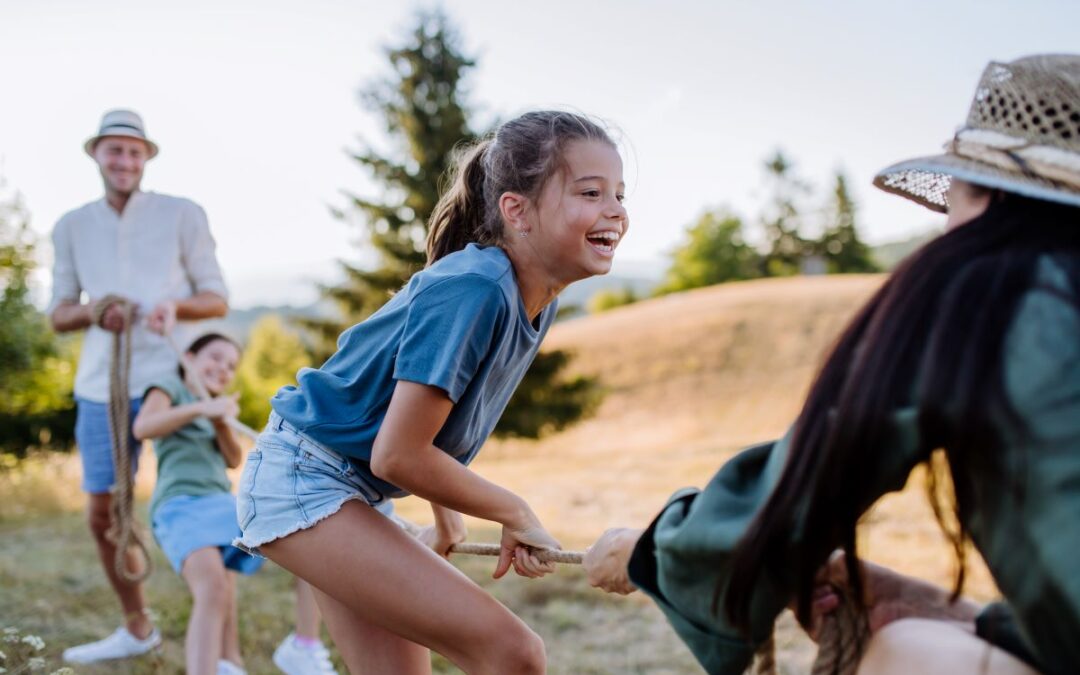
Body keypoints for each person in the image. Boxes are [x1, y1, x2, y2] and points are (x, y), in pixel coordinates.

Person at [583, 53, 1080, 675]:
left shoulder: (994, 289)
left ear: (981, 190)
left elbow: (809, 477)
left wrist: (648, 551)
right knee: (930, 637)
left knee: (909, 654)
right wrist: (956, 612)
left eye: (953, 193)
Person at [233, 110, 629, 674]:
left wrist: (446, 522)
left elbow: (428, 426)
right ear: (515, 210)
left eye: (619, 193)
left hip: (344, 487)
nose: (615, 210)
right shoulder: (477, 289)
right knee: (515, 654)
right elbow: (397, 453)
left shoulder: (531, 297)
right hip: (305, 480)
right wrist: (512, 510)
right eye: (591, 192)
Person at [49, 109, 229, 663]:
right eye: (114, 150)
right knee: (103, 513)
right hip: (102, 385)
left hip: (173, 379)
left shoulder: (182, 214)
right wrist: (95, 312)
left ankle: (225, 646)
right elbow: (58, 314)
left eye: (133, 151)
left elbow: (216, 298)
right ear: (96, 155)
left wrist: (171, 307)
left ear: (146, 157)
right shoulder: (71, 226)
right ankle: (137, 625)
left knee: (205, 498)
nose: (124, 160)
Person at [132, 333, 263, 675]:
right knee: (213, 586)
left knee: (225, 584)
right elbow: (143, 427)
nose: (223, 368)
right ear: (188, 356)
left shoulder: (217, 409)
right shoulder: (170, 388)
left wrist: (219, 421)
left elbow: (233, 459)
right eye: (216, 357)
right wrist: (200, 408)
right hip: (182, 504)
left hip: (220, 501)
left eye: (231, 366)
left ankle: (229, 662)